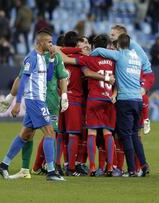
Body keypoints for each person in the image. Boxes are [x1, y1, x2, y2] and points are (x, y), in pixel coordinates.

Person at [0, 28, 65, 181]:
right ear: (40, 42)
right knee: (50, 133)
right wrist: (17, 103)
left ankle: (3, 165)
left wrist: (52, 59)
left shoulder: (42, 57)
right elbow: (23, 81)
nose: (51, 45)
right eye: (49, 42)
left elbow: (48, 77)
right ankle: (51, 172)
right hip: (34, 101)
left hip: (38, 100)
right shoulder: (31, 58)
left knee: (25, 135)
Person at [91, 34, 150, 177]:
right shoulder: (136, 57)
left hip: (125, 100)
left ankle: (131, 170)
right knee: (135, 134)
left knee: (126, 135)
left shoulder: (119, 55)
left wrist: (89, 55)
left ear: (118, 45)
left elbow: (99, 51)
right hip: (138, 100)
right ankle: (143, 165)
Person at [60, 34, 116, 176]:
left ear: (93, 46)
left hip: (93, 99)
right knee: (107, 133)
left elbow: (65, 58)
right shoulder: (113, 61)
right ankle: (110, 168)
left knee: (91, 133)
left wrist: (76, 50)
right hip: (109, 100)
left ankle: (91, 167)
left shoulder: (88, 59)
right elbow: (117, 81)